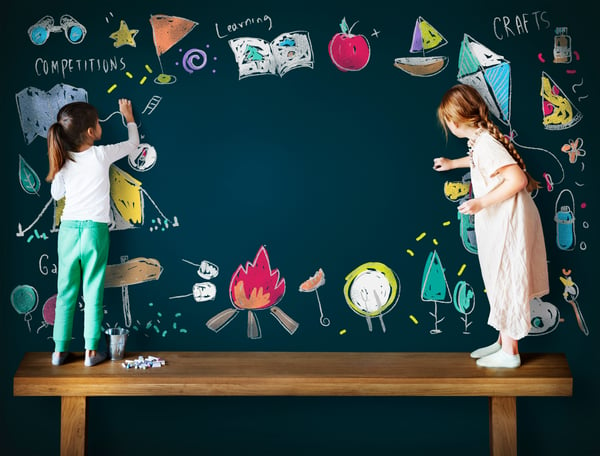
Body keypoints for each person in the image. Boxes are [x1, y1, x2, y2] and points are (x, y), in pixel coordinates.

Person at [433, 84, 549, 368]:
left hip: (508, 221)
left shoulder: (485, 143)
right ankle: (502, 341)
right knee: (500, 279)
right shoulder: (481, 141)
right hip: (504, 220)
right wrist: (453, 164)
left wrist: (480, 203)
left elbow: (517, 180)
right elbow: (479, 162)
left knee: (507, 278)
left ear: (455, 120)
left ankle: (510, 351)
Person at [46, 99, 139, 366]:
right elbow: (133, 144)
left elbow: (56, 194)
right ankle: (90, 352)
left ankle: (59, 351)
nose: (100, 126)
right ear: (90, 132)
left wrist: (60, 171)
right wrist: (128, 116)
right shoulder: (101, 154)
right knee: (93, 289)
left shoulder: (64, 161)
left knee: (66, 291)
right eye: (98, 123)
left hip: (68, 231)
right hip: (95, 232)